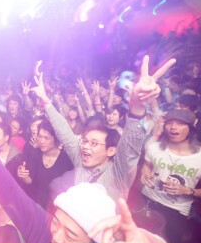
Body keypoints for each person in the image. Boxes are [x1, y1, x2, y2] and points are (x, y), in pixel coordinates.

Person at [0, 97, 167, 243]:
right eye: (55, 222)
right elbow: (12, 193)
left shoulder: (118, 174)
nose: (57, 238)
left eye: (70, 235)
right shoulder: (45, 234)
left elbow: (129, 152)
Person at [33, 55, 176, 203]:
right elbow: (64, 132)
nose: (85, 146)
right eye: (85, 141)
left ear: (111, 151)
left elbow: (130, 146)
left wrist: (137, 106)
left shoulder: (119, 172)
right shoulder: (80, 159)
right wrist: (45, 100)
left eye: (94, 143)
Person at [140, 109, 201, 243]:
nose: (173, 127)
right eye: (170, 123)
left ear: (191, 128)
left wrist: (187, 190)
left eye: (180, 123)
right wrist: (145, 174)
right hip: (148, 200)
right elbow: (147, 165)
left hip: (176, 209)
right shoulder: (154, 147)